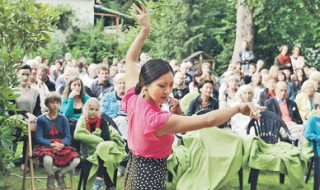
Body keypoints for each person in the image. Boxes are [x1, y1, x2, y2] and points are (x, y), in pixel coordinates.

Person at [121, 3, 263, 189]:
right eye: (162, 86)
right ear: (146, 84)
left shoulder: (134, 97)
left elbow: (130, 59)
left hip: (135, 176)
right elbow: (207, 120)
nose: (167, 91)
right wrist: (237, 107)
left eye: (171, 85)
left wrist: (145, 30)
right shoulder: (156, 119)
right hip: (147, 182)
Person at [74, 98, 126, 190]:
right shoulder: (83, 120)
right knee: (107, 156)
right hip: (89, 153)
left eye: (96, 110)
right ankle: (110, 185)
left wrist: (92, 138)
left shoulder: (102, 121)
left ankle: (99, 179)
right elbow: (77, 134)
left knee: (104, 150)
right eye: (91, 109)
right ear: (86, 109)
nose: (93, 112)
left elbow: (106, 140)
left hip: (104, 150)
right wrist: (98, 139)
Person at [33, 92, 80, 190]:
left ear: (60, 104)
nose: (55, 105)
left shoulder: (63, 118)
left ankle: (60, 173)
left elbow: (68, 136)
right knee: (47, 159)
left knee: (76, 160)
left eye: (57, 102)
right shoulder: (41, 119)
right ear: (47, 104)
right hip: (47, 146)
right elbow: (39, 137)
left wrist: (62, 144)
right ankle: (51, 176)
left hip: (61, 145)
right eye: (52, 102)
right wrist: (51, 144)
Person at [264, 81, 304, 146]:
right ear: (276, 91)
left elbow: (299, 120)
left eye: (285, 91)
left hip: (293, 126)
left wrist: (294, 123)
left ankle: (301, 152)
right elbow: (268, 121)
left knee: (301, 131)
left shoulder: (292, 103)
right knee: (302, 130)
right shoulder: (269, 103)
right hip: (279, 127)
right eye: (281, 90)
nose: (283, 93)